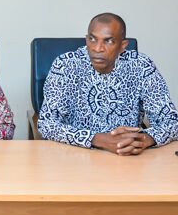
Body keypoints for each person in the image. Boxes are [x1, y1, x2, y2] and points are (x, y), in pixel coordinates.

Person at [38, 13, 178, 155]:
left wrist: (143, 139)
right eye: (92, 39)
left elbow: (172, 122)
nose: (98, 48)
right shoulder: (65, 65)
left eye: (108, 41)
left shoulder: (141, 66)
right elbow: (47, 124)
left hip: (128, 157)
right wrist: (98, 139)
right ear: (86, 40)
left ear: (123, 46)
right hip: (75, 156)